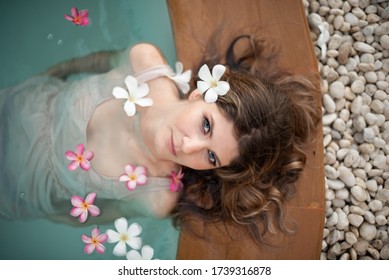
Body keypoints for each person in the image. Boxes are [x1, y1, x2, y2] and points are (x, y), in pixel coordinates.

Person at [0, 34, 320, 244]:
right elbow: (96, 61)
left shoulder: (155, 196)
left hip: (15, 187)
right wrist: (54, 74)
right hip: (21, 107)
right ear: (198, 94)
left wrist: (26, 206)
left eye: (210, 157)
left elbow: (74, 217)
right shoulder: (145, 63)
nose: (188, 146)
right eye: (206, 126)